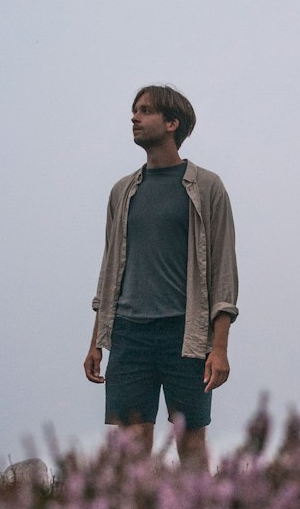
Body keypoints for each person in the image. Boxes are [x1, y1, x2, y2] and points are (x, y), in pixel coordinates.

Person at [84, 85, 238, 470]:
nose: (134, 117)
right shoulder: (123, 192)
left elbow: (223, 273)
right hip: (129, 333)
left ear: (172, 123)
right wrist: (97, 341)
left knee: (190, 439)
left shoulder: (206, 187)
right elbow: (110, 270)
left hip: (185, 335)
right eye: (134, 110)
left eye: (145, 110)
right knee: (131, 446)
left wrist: (218, 348)